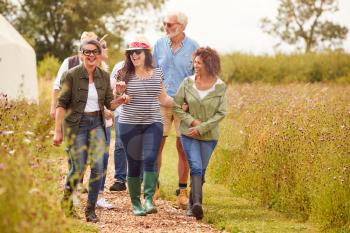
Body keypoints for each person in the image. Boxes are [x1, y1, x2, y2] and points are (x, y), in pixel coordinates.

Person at [53, 39, 123, 222]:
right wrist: (57, 131)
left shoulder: (104, 76)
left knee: (99, 166)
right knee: (78, 167)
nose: (91, 55)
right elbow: (61, 104)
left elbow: (109, 104)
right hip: (76, 124)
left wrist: (120, 100)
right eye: (87, 52)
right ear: (81, 54)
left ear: (99, 55)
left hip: (97, 123)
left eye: (94, 52)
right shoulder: (70, 75)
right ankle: (66, 203)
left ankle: (90, 210)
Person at [117, 36, 173, 216]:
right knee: (134, 163)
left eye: (138, 52)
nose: (134, 55)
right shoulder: (123, 74)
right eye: (131, 53)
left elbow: (163, 98)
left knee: (150, 158)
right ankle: (136, 203)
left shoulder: (158, 73)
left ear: (146, 53)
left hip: (153, 123)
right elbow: (114, 101)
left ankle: (148, 199)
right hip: (129, 124)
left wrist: (183, 101)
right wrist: (120, 95)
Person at [173, 47, 227, 220]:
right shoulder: (187, 82)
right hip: (188, 134)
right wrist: (192, 122)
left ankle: (191, 205)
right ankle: (198, 204)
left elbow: (221, 113)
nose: (195, 65)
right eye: (194, 62)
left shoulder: (220, 87)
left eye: (199, 62)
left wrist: (202, 128)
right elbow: (176, 106)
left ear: (209, 64)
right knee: (195, 166)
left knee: (201, 171)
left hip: (209, 137)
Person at [153, 11, 199, 209]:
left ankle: (182, 192)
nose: (166, 27)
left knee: (184, 148)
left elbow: (197, 77)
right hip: (161, 102)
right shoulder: (158, 45)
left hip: (183, 105)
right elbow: (153, 72)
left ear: (181, 26)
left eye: (170, 24)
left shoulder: (194, 47)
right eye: (164, 24)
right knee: (156, 147)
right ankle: (152, 188)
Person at [109, 61, 127, 192]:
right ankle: (120, 179)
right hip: (121, 111)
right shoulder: (119, 67)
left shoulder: (149, 68)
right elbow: (111, 89)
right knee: (120, 144)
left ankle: (140, 178)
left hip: (140, 114)